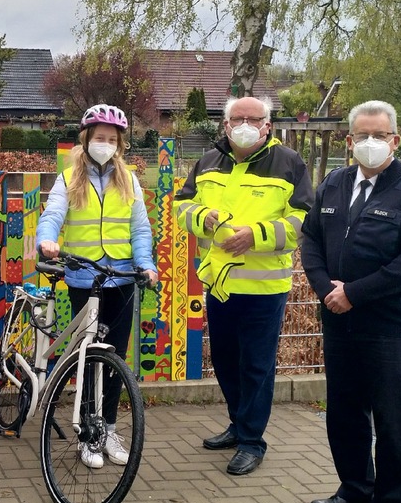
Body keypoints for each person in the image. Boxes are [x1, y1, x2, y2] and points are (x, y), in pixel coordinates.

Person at [300, 100, 401, 503]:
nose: (371, 142)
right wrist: (327, 290)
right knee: (344, 414)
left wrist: (353, 293)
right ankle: (356, 490)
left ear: (395, 140)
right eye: (362, 135)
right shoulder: (334, 185)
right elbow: (310, 240)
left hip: (389, 328)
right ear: (348, 141)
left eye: (380, 135)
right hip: (338, 322)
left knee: (393, 422)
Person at [176, 96, 313, 475]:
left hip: (264, 288)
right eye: (238, 118)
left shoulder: (289, 163)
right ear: (226, 124)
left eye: (255, 119)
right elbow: (181, 206)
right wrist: (203, 218)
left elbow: (304, 218)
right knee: (223, 360)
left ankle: (253, 441)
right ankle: (238, 425)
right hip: (221, 284)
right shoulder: (207, 161)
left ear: (268, 125)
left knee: (256, 365)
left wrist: (257, 235)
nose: (246, 124)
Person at [36, 105, 158, 468]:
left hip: (121, 278)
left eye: (111, 139)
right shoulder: (69, 177)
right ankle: (88, 434)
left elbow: (140, 229)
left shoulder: (130, 179)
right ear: (86, 139)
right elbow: (54, 213)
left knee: (114, 357)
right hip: (83, 278)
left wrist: (146, 264)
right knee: (89, 358)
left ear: (119, 144)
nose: (104, 144)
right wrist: (47, 240)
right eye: (98, 138)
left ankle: (107, 428)